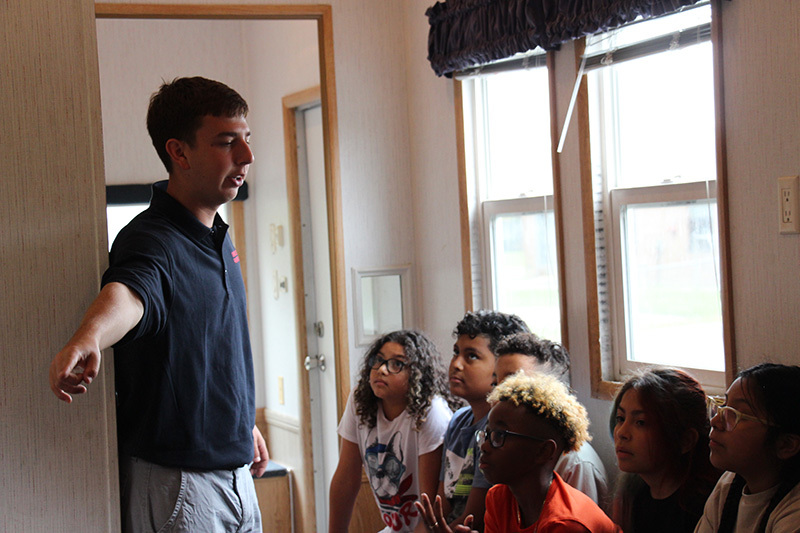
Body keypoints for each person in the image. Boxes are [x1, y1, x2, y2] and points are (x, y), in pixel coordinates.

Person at [48, 77, 267, 532]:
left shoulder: (216, 238)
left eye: (247, 140)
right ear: (179, 153)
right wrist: (90, 336)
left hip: (236, 475)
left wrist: (240, 424)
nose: (246, 156)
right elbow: (129, 293)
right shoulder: (152, 239)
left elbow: (209, 350)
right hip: (180, 486)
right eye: (227, 142)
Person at [418, 372, 620, 532]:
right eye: (486, 434)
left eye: (499, 436)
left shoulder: (566, 524)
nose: (485, 446)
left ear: (543, 451)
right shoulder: (499, 498)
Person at [328, 330, 455, 532]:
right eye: (378, 360)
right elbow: (346, 479)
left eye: (397, 364)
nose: (382, 370)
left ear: (417, 375)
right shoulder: (360, 401)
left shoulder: (431, 412)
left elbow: (429, 509)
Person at [436, 310, 530, 531]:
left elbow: (474, 518)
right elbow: (440, 506)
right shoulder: (458, 420)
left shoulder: (497, 433)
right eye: (456, 352)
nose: (456, 364)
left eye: (472, 356)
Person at [493, 332, 610, 509]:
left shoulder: (574, 463)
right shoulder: (506, 444)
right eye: (496, 382)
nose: (499, 394)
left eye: (514, 382)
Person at [611, 367, 720, 533]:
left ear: (686, 441)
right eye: (621, 418)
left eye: (640, 422)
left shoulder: (704, 508)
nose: (621, 433)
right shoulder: (635, 494)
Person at [695, 362, 800, 533]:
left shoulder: (794, 513)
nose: (715, 421)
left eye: (735, 415)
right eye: (723, 406)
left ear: (786, 444)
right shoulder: (729, 484)